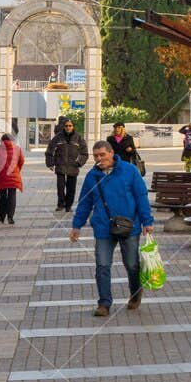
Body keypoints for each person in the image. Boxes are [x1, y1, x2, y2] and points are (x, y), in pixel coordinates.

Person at [71, 140, 154, 317]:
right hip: (103, 227)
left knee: (132, 264)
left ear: (111, 153)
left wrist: (147, 221)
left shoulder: (129, 170)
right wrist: (76, 225)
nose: (99, 159)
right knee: (102, 265)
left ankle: (135, 292)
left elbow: (141, 196)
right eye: (96, 156)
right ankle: (104, 303)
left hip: (129, 226)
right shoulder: (91, 176)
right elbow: (85, 203)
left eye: (102, 154)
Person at [46, 118, 89, 211]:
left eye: (70, 125)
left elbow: (84, 153)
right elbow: (50, 150)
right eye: (66, 126)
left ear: (73, 127)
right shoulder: (58, 137)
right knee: (60, 187)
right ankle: (60, 204)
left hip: (73, 166)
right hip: (60, 165)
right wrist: (50, 163)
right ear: (64, 127)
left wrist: (79, 162)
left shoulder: (79, 138)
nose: (68, 127)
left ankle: (68, 206)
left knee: (71, 188)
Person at [0, 133, 24, 225]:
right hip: (14, 175)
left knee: (2, 196)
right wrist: (17, 170)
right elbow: (21, 161)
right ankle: (10, 217)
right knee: (12, 196)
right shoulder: (17, 149)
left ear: (2, 140)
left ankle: (1, 217)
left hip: (2, 176)